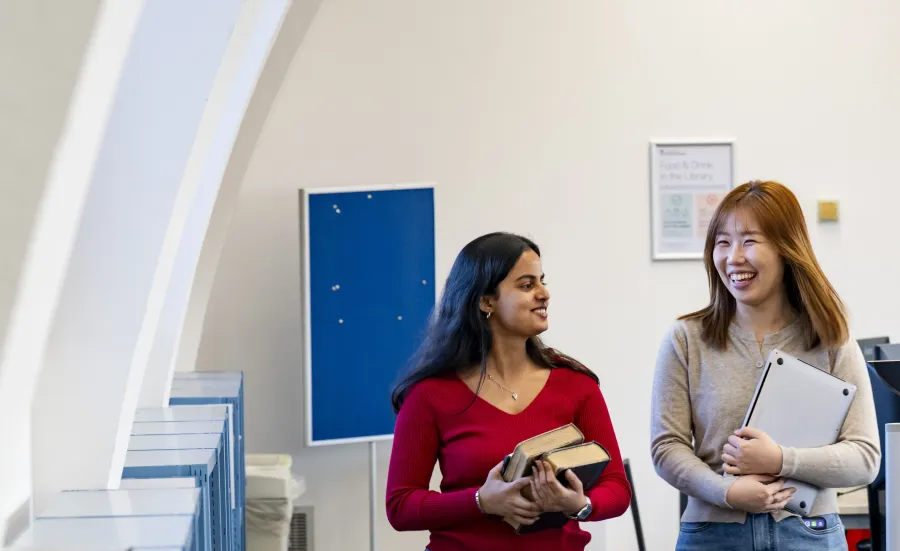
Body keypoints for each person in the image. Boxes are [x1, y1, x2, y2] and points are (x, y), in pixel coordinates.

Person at [650, 180, 881, 550]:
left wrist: (780, 460)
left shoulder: (832, 339)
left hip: (809, 533)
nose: (733, 257)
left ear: (786, 248)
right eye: (722, 242)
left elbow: (865, 458)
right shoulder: (685, 339)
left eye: (749, 241)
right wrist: (728, 491)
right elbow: (667, 447)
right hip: (713, 535)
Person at [386, 232, 631, 551]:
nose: (544, 294)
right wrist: (480, 501)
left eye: (542, 281)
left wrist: (579, 503)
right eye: (527, 285)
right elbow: (401, 506)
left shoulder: (577, 386)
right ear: (486, 301)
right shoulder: (430, 394)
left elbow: (616, 488)